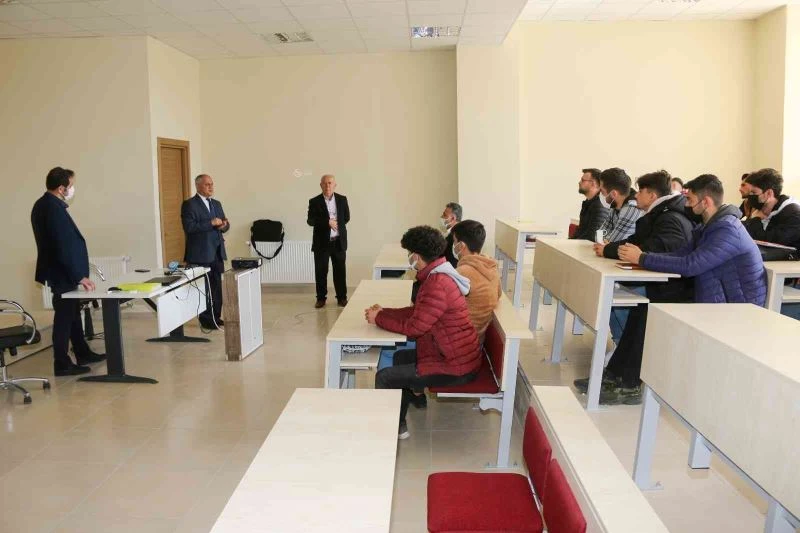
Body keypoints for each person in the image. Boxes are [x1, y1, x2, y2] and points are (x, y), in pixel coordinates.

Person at [609, 174, 767, 404]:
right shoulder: (709, 226)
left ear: (706, 202)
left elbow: (691, 265)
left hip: (735, 308)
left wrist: (642, 258)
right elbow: (681, 254)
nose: (688, 205)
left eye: (691, 200)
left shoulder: (727, 230)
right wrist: (644, 258)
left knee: (652, 312)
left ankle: (630, 384)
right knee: (645, 306)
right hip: (716, 298)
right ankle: (616, 375)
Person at [577, 170, 694, 395]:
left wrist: (632, 253)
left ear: (652, 195)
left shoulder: (670, 218)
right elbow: (636, 242)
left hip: (674, 291)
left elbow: (654, 249)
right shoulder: (660, 214)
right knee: (637, 313)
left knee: (640, 315)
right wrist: (609, 250)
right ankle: (615, 375)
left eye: (640, 192)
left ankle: (627, 384)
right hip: (661, 286)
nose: (636, 195)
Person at [367, 226, 480, 440]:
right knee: (399, 358)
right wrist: (383, 312)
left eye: (410, 253)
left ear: (417, 256)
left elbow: (415, 328)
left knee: (385, 377)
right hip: (452, 354)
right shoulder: (438, 275)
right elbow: (418, 312)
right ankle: (405, 416)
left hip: (455, 366)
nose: (409, 257)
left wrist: (379, 319)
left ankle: (387, 430)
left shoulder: (437, 283)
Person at [31, 167, 106, 376]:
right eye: (70, 186)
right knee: (64, 318)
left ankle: (82, 352)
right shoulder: (52, 208)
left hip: (61, 270)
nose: (72, 189)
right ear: (61, 188)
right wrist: (78, 275)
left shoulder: (45, 204)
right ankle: (61, 363)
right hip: (62, 272)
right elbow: (61, 246)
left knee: (72, 314)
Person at [742, 168, 800, 320]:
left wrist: (755, 220)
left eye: (754, 193)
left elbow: (771, 241)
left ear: (768, 193)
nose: (750, 197)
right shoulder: (765, 211)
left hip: (789, 279)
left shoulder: (793, 213)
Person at [181, 174, 229, 329]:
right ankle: (206, 320)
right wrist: (211, 223)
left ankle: (216, 317)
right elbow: (189, 227)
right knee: (204, 288)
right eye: (207, 184)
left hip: (217, 251)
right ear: (198, 186)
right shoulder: (189, 204)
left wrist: (224, 226)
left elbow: (225, 223)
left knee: (217, 287)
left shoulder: (216, 203)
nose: (211, 187)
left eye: (212, 184)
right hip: (201, 253)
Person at [451, 220, 502, 339]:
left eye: (454, 242)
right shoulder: (491, 267)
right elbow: (498, 294)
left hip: (460, 338)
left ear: (461, 246)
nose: (452, 246)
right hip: (478, 336)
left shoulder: (461, 273)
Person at [307, 174, 350, 308]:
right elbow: (310, 221)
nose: (327, 186)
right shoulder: (314, 201)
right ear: (321, 185)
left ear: (335, 185)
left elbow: (346, 217)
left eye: (330, 183)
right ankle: (321, 298)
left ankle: (342, 298)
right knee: (321, 272)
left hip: (338, 242)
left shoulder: (342, 199)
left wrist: (337, 224)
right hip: (322, 243)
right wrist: (327, 222)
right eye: (325, 183)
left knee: (340, 271)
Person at [597, 167, 642, 243]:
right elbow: (599, 237)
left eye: (602, 191)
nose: (600, 194)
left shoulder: (632, 208)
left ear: (613, 194)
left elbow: (613, 242)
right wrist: (605, 241)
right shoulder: (614, 206)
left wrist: (606, 241)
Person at [572, 168, 610, 241]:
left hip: (590, 246)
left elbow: (593, 237)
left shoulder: (600, 205)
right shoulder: (588, 203)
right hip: (583, 245)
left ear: (593, 183)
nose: (579, 182)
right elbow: (580, 231)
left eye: (583, 180)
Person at [440, 202, 463, 268]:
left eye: (444, 215)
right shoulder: (447, 234)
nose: (441, 217)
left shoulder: (459, 235)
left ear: (453, 218)